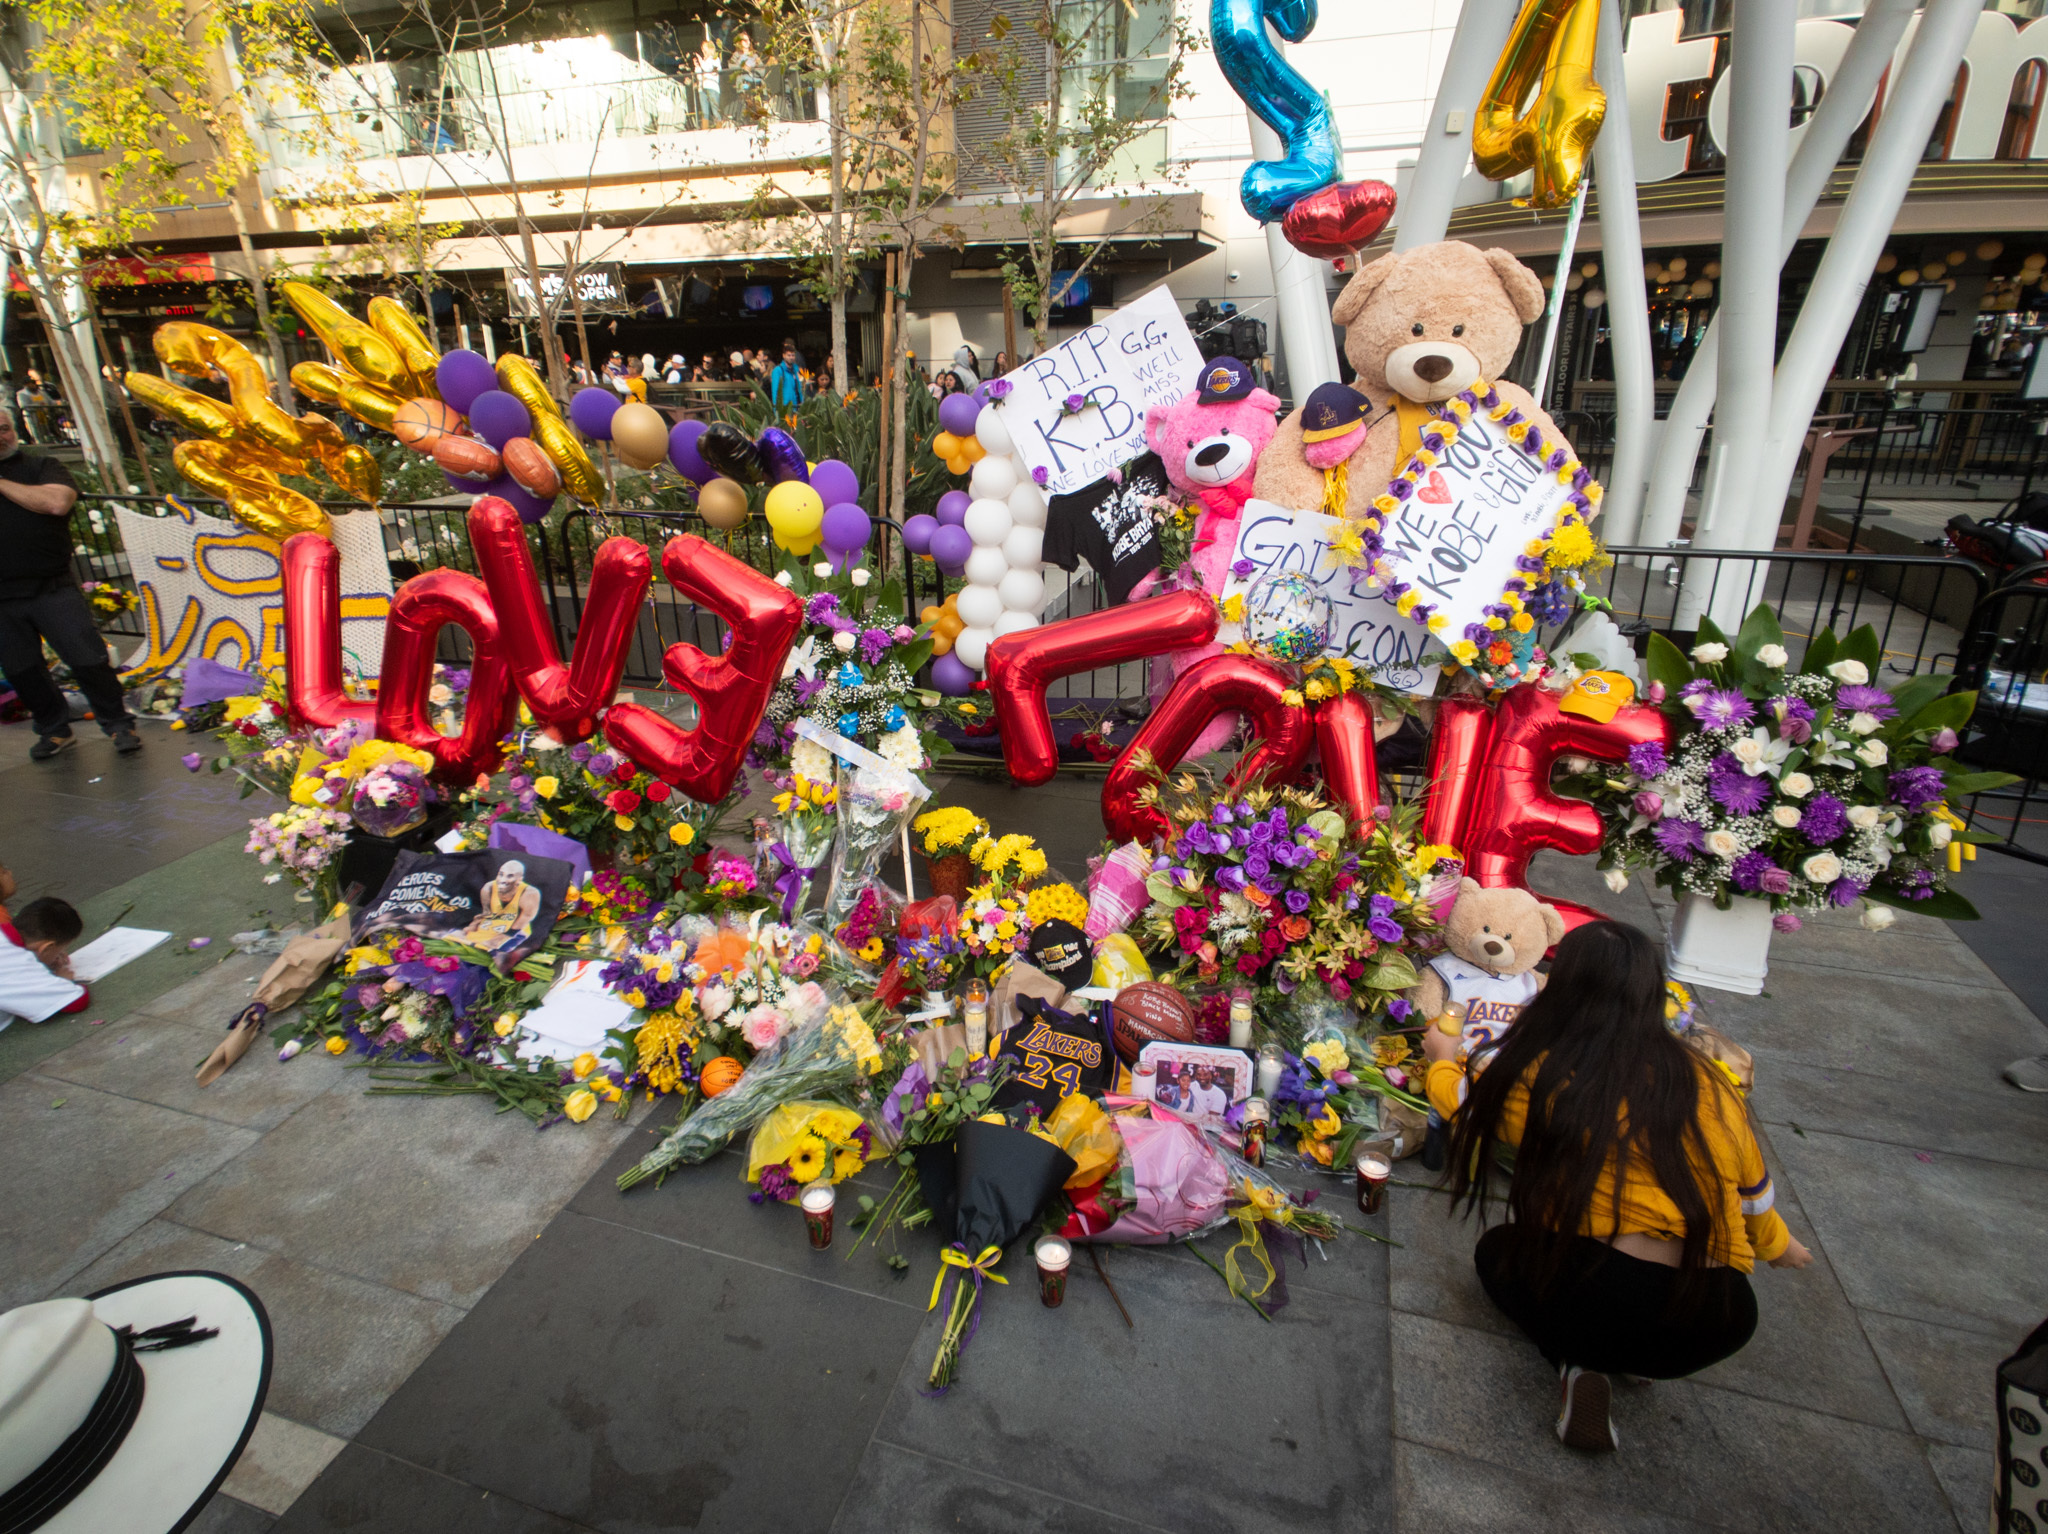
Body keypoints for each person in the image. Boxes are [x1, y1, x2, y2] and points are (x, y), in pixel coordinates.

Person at [1434, 921, 1811, 1453]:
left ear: (1563, 987)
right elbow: (1752, 1193)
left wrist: (1440, 1058)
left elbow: (1468, 1105)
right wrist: (1781, 1247)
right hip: (1718, 1315)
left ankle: (1582, 1360)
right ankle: (1631, 1357)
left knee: (1496, 1253)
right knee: (1635, 1308)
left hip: (1598, 1292)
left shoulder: (1548, 1073)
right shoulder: (1706, 1079)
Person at [0, 411, 140, 759]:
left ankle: (118, 723)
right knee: (22, 670)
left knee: (88, 659)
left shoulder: (41, 466)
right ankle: (53, 730)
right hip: (2, 599)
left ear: (14, 431)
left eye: (3, 428)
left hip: (51, 586)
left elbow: (57, 502)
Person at [0, 863, 88, 1028]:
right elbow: (76, 1001)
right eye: (58, 950)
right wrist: (64, 981)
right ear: (46, 947)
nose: (60, 955)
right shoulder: (16, 960)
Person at [15, 895, 83, 981]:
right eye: (58, 951)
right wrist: (61, 982)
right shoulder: (16, 971)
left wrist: (46, 957)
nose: (57, 956)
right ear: (46, 948)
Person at [14, 370, 53, 444]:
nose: (33, 385)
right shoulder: (22, 394)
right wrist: (38, 405)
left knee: (45, 429)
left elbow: (49, 401)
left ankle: (48, 441)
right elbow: (24, 405)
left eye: (33, 383)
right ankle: (39, 443)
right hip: (32, 416)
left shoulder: (41, 392)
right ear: (26, 385)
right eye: (30, 383)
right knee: (36, 431)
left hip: (43, 414)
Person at [769, 343, 806, 410]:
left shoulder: (796, 369)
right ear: (783, 355)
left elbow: (799, 388)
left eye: (793, 355)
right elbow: (775, 391)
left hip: (797, 406)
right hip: (784, 408)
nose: (791, 357)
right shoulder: (778, 370)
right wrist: (776, 410)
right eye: (789, 355)